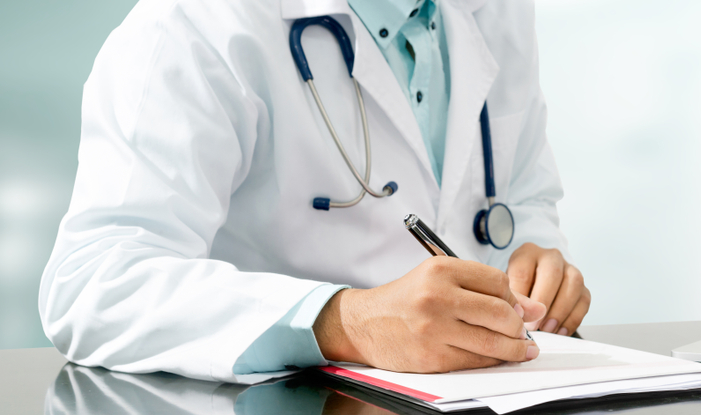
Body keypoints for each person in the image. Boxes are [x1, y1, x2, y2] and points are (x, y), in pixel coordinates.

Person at [38, 0, 589, 383]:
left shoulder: (497, 13)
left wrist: (537, 260)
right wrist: (343, 321)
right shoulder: (196, 23)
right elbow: (94, 284)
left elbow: (523, 196)